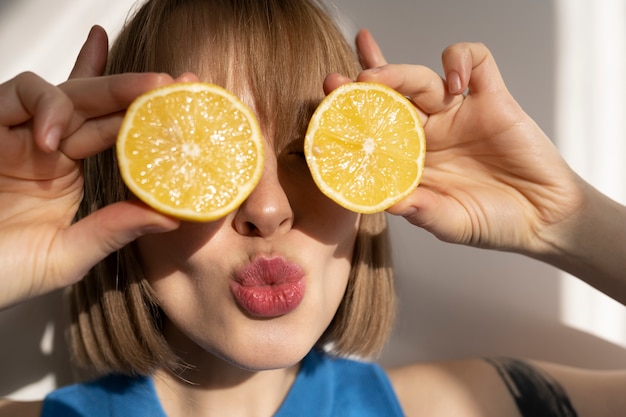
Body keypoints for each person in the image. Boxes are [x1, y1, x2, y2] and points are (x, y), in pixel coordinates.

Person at [1, 0, 626, 416]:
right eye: (210, 159)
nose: (269, 209)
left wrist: (561, 218)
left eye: (307, 154)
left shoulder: (451, 405)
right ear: (122, 191)